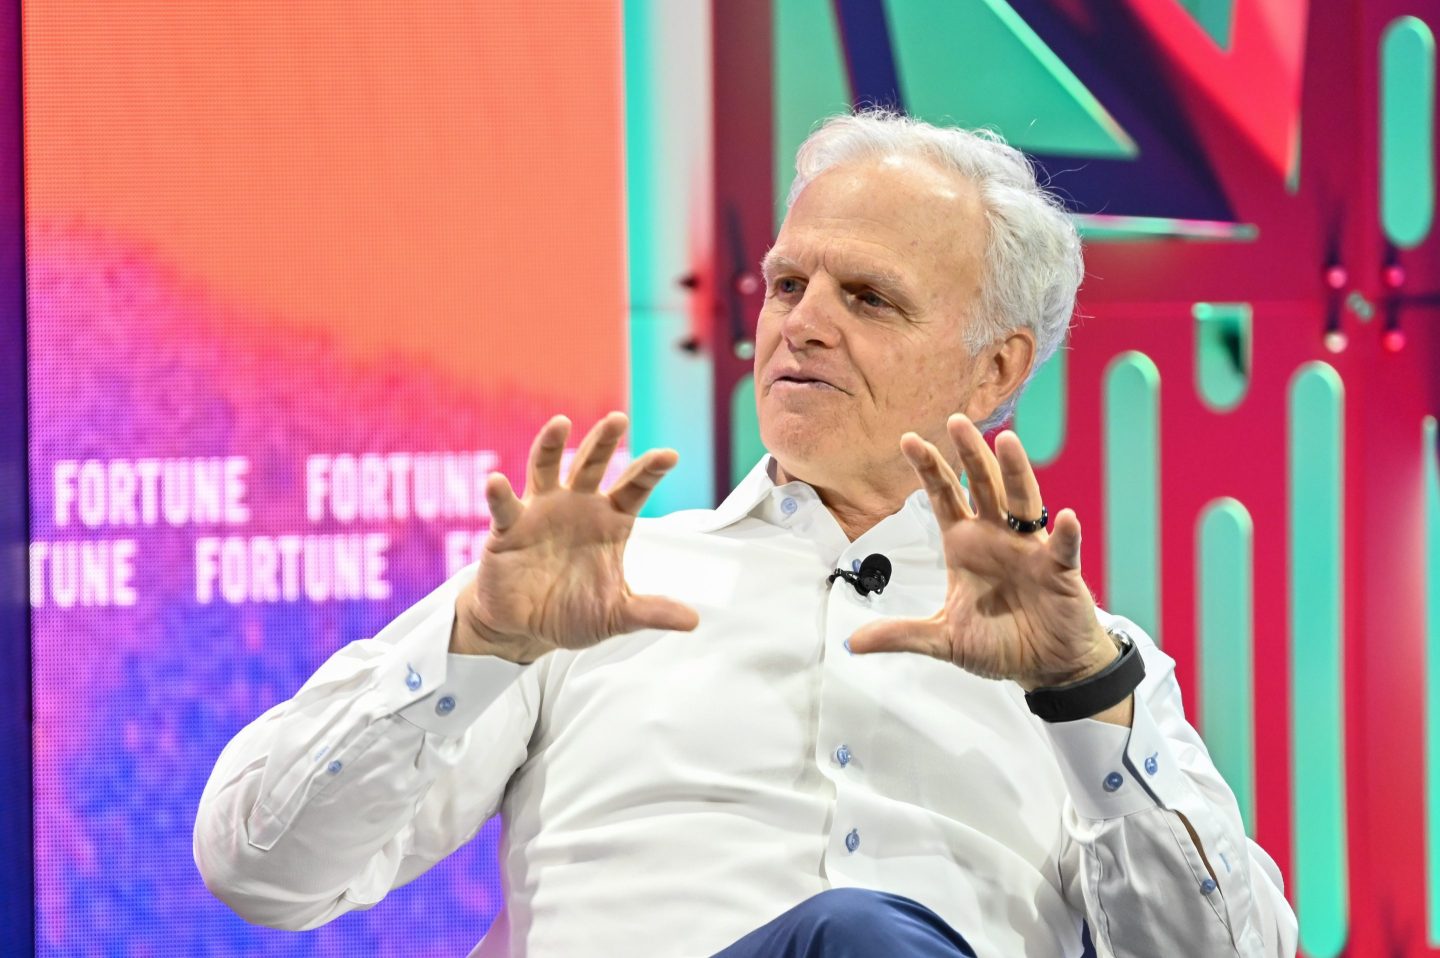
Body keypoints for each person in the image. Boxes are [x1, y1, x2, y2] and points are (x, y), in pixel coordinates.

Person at [195, 110, 1298, 957]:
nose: (801, 323)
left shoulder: (1087, 667)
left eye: (867, 296)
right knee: (856, 936)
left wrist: (1081, 702)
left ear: (998, 365)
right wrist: (477, 643)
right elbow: (260, 866)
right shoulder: (595, 583)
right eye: (787, 283)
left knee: (864, 936)